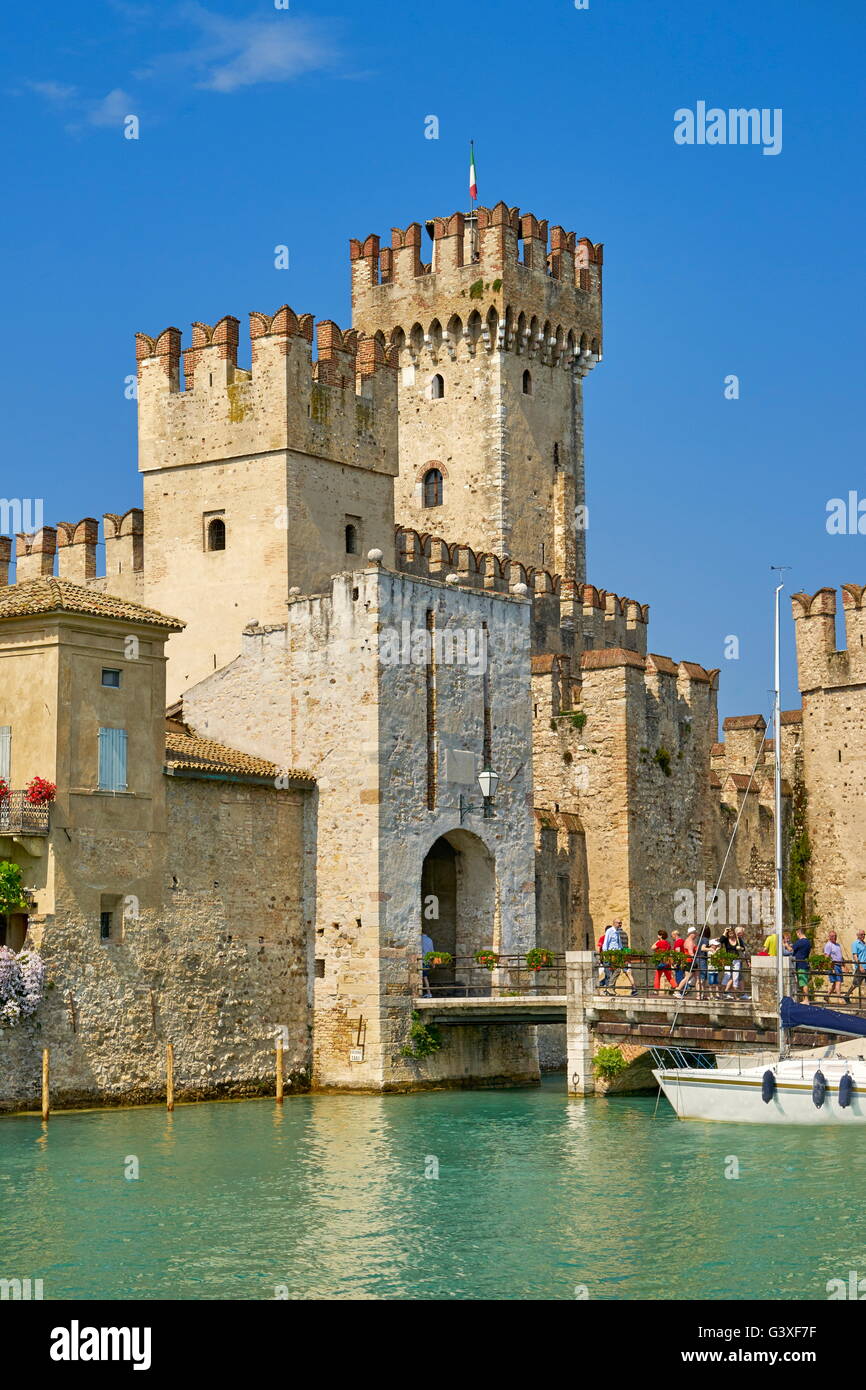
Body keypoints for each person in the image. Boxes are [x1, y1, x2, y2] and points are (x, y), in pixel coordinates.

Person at [845, 930, 866, 1005]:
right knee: (856, 983)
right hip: (861, 966)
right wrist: (860, 966)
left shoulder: (864, 944)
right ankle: (847, 995)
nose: (863, 936)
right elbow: (855, 956)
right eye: (861, 934)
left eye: (864, 934)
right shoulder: (855, 944)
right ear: (857, 935)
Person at [791, 926, 811, 1002]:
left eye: (797, 934)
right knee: (804, 982)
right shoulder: (808, 942)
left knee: (803, 983)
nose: (797, 936)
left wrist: (785, 944)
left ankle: (806, 999)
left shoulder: (801, 941)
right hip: (805, 963)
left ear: (799, 933)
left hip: (800, 964)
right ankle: (804, 999)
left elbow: (791, 949)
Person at [824, 930, 844, 999]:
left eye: (835, 936)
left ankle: (827, 996)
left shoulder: (837, 945)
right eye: (832, 936)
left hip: (838, 965)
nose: (834, 937)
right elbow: (826, 957)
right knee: (838, 981)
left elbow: (840, 956)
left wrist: (844, 965)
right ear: (829, 937)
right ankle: (839, 999)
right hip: (833, 965)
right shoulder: (828, 945)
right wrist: (831, 967)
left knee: (835, 983)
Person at [421, 930, 435, 997]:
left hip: (422, 960)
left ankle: (429, 993)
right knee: (424, 976)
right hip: (427, 960)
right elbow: (432, 952)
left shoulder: (420, 939)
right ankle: (426, 992)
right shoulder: (430, 940)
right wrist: (433, 963)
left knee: (424, 977)